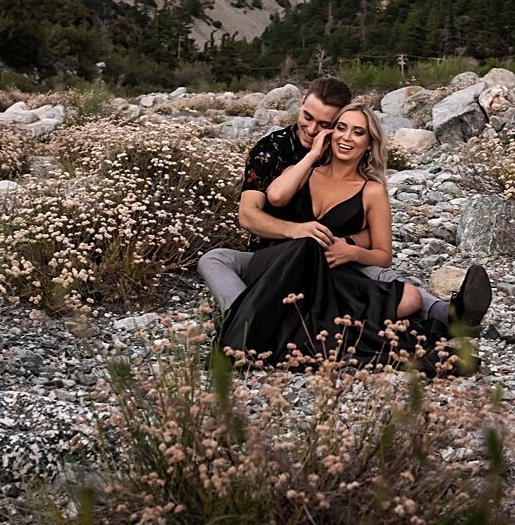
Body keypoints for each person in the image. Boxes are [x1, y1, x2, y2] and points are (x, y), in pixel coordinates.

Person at [198, 76, 491, 334]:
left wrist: (349, 246)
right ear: (301, 105)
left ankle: (451, 315)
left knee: (384, 277)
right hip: (271, 255)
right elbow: (250, 215)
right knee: (215, 259)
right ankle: (246, 317)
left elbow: (374, 241)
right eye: (308, 117)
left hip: (330, 258)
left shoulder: (347, 161)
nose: (312, 130)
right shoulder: (274, 151)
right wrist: (297, 230)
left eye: (325, 124)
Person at [218, 103, 454, 371]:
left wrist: (351, 251)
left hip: (331, 273)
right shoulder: (302, 170)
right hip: (279, 266)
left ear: (368, 144)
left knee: (411, 297)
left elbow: (383, 255)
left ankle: (305, 324)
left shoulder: (372, 191)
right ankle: (244, 338)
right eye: (341, 128)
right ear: (329, 134)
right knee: (306, 243)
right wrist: (313, 154)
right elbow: (275, 196)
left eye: (357, 132)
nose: (346, 137)